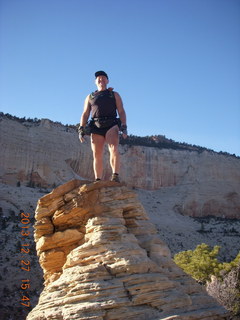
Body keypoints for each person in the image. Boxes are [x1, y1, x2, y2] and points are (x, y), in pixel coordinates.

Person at [78, 71, 127, 182]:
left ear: (107, 81)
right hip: (96, 125)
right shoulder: (90, 97)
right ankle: (98, 179)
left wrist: (124, 126)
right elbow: (85, 113)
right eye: (99, 78)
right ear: (95, 82)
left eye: (103, 78)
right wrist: (81, 128)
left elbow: (121, 111)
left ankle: (115, 175)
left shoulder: (114, 95)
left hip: (111, 124)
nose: (101, 80)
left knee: (113, 148)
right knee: (97, 153)